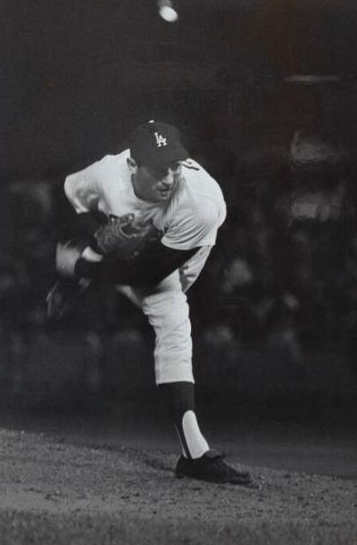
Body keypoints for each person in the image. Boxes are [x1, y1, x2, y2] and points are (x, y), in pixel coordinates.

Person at [46, 120, 252, 485]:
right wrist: (90, 235)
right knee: (175, 327)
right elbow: (68, 195)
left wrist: (77, 265)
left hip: (177, 262)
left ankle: (77, 276)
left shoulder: (200, 201)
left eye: (175, 165)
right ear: (132, 165)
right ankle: (195, 454)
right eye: (159, 169)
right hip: (137, 261)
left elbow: (148, 273)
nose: (170, 177)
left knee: (169, 300)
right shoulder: (109, 172)